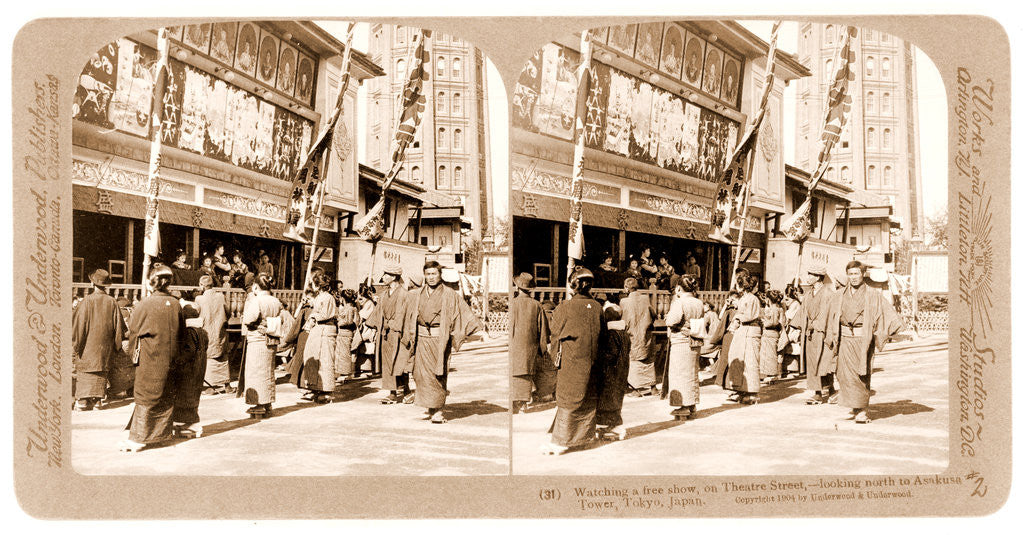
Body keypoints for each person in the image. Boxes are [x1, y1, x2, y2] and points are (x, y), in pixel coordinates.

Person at [825, 261, 904, 423]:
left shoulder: (873, 294)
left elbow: (885, 313)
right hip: (844, 339)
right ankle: (856, 406)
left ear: (863, 274)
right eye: (850, 274)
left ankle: (862, 410)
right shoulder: (839, 295)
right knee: (844, 375)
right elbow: (830, 316)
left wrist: (891, 329)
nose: (853, 277)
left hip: (863, 340)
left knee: (861, 374)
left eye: (856, 273)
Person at [119, 265, 184, 452]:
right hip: (170, 357)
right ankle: (161, 435)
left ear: (151, 282)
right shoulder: (176, 304)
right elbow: (182, 333)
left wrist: (133, 355)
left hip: (149, 356)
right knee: (165, 392)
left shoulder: (145, 304)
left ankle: (139, 438)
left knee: (146, 394)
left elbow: (134, 330)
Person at [407, 261, 480, 423]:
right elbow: (408, 315)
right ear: (424, 276)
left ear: (440, 275)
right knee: (421, 375)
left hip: (439, 340)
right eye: (428, 274)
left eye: (434, 274)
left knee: (438, 373)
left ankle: (438, 410)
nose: (431, 277)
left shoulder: (449, 294)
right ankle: (430, 407)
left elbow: (463, 313)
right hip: (421, 339)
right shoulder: (417, 294)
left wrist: (466, 331)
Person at [542, 267, 605, 455]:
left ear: (573, 285)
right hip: (593, 360)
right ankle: (585, 438)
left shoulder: (565, 307)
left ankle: (561, 441)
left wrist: (555, 359)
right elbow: (604, 337)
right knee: (588, 396)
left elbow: (555, 334)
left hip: (571, 359)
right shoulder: (597, 307)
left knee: (569, 398)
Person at [72, 269, 126, 411]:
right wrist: (116, 345)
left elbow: (79, 326)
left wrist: (76, 344)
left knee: (86, 370)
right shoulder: (112, 302)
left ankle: (83, 401)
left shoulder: (87, 301)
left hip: (88, 345)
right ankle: (97, 401)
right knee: (101, 370)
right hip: (105, 347)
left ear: (92, 284)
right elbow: (119, 327)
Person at [366, 265, 413, 404]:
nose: (384, 277)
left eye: (386, 274)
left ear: (394, 277)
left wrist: (397, 328)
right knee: (387, 363)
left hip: (399, 333)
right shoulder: (383, 295)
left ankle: (406, 390)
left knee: (400, 362)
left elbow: (408, 315)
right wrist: (375, 327)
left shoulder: (405, 295)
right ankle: (392, 392)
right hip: (385, 334)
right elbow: (378, 313)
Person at [240, 272, 283, 418]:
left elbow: (249, 319)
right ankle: (267, 402)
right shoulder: (276, 301)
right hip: (271, 338)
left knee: (256, 372)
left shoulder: (257, 300)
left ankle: (258, 404)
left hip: (257, 339)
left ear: (256, 286)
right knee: (268, 371)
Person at [663, 274, 705, 420]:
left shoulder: (679, 302)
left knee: (680, 374)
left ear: (679, 288)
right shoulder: (699, 302)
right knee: (692, 373)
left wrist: (667, 318)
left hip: (681, 341)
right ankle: (692, 404)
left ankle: (683, 405)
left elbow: (672, 320)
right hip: (695, 339)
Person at [718, 271, 762, 404]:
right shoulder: (744, 298)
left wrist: (737, 317)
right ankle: (741, 389)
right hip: (743, 330)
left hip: (750, 330)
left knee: (750, 361)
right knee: (739, 359)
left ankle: (752, 392)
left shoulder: (752, 298)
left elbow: (749, 315)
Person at [295, 271, 338, 404]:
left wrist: (313, 317)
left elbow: (325, 314)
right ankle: (315, 387)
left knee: (325, 359)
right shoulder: (320, 297)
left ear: (318, 285)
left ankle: (326, 390)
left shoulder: (327, 297)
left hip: (325, 329)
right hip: (318, 329)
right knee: (314, 357)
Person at [795, 265, 836, 404]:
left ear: (818, 277)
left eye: (810, 274)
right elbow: (803, 313)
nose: (808, 277)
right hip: (810, 334)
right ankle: (817, 392)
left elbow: (829, 314)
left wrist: (817, 325)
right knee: (812, 363)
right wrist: (800, 328)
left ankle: (831, 390)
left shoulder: (828, 294)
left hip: (823, 333)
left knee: (824, 362)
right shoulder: (808, 294)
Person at [509, 273, 549, 413]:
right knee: (527, 372)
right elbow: (543, 330)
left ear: (517, 287)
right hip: (530, 345)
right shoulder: (537, 305)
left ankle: (514, 402)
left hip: (515, 344)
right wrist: (543, 348)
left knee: (515, 372)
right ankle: (523, 403)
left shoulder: (513, 303)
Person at [170, 305, 208, 438]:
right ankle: (186, 423)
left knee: (185, 396)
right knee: (192, 395)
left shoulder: (189, 331)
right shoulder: (202, 331)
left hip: (189, 370)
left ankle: (192, 424)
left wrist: (177, 361)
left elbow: (188, 351)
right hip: (199, 367)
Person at [595, 306, 630, 440]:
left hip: (611, 373)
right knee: (615, 399)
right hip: (622, 371)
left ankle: (615, 427)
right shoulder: (624, 333)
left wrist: (598, 358)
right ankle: (609, 426)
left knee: (608, 401)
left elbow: (611, 355)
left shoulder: (611, 334)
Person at [195, 275, 232, 395]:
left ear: (202, 285)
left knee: (208, 358)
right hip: (220, 331)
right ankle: (227, 385)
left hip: (206, 332)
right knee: (223, 356)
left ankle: (209, 387)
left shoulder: (199, 299)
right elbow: (228, 312)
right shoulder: (220, 296)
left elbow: (196, 315)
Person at [620, 277, 656, 396]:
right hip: (645, 333)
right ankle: (653, 388)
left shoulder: (624, 302)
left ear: (626, 288)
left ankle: (636, 390)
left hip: (632, 334)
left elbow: (623, 320)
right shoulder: (645, 298)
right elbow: (653, 314)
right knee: (648, 359)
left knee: (634, 360)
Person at [334, 289, 360, 385]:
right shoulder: (352, 308)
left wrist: (339, 322)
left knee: (344, 354)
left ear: (343, 298)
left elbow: (349, 321)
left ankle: (345, 373)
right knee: (342, 354)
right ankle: (343, 373)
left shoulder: (349, 308)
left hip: (345, 333)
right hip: (345, 333)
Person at [759, 290, 785, 385]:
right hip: (774, 333)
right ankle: (770, 374)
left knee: (768, 355)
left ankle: (770, 375)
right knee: (771, 354)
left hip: (769, 333)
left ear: (769, 299)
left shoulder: (773, 309)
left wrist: (764, 322)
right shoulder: (779, 308)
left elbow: (774, 322)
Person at [355, 285, 377, 377]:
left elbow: (362, 316)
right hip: (365, 327)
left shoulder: (369, 304)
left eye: (361, 299)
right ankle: (363, 368)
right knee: (363, 349)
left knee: (366, 349)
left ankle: (367, 369)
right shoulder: (367, 303)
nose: (359, 301)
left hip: (368, 328)